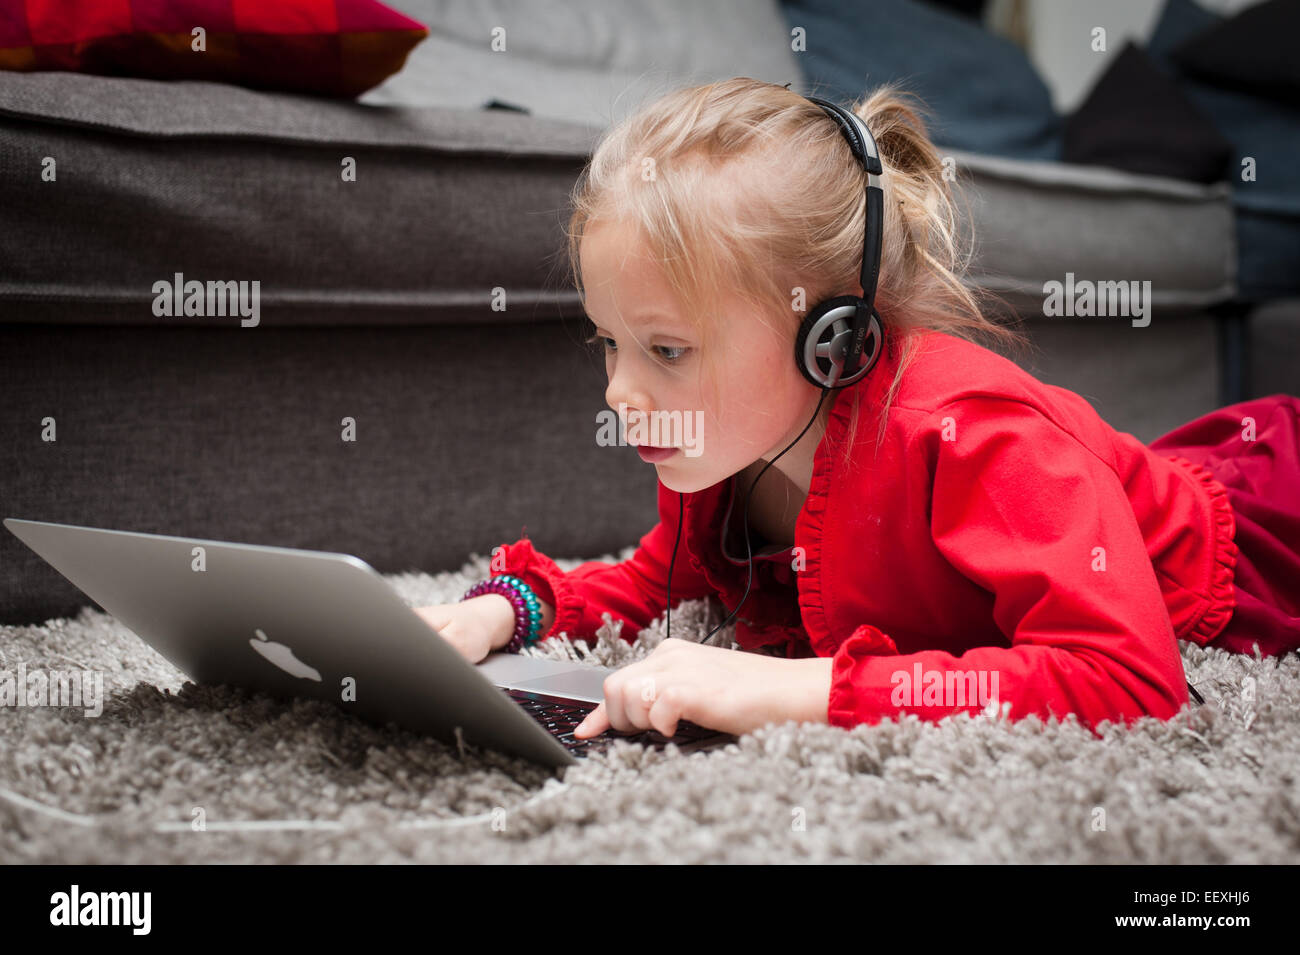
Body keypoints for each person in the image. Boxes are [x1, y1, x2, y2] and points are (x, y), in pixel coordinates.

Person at [415, 77, 1300, 744]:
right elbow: (654, 581)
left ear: (831, 336)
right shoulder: (726, 450)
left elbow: (1126, 676)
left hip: (1271, 533)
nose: (618, 391)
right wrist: (504, 611)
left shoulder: (973, 433)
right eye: (608, 341)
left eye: (667, 350)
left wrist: (792, 692)